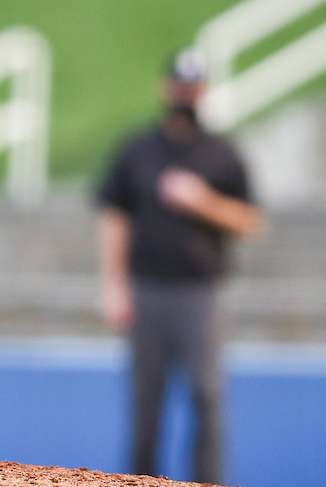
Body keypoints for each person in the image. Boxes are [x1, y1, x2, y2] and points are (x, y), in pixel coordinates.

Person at [96, 49, 263, 486]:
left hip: (200, 294)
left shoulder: (223, 153)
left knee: (206, 397)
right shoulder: (138, 149)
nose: (185, 95)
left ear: (204, 92)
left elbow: (250, 220)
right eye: (179, 85)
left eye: (194, 87)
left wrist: (202, 201)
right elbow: (114, 215)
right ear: (164, 87)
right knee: (145, 405)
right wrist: (113, 286)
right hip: (147, 289)